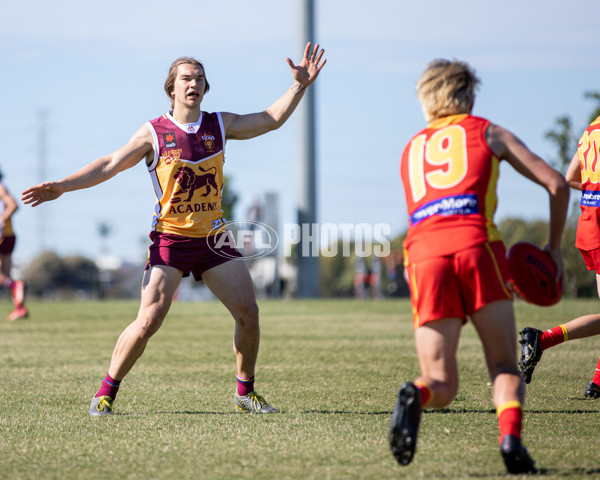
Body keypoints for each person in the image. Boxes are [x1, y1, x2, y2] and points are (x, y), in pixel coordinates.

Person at [22, 42, 326, 416]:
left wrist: (299, 86)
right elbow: (109, 164)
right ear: (172, 88)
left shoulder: (220, 124)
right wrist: (62, 186)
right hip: (171, 240)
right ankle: (105, 392)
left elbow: (270, 119)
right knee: (149, 319)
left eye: (199, 78)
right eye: (186, 78)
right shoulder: (154, 132)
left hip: (214, 239)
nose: (193, 83)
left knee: (249, 312)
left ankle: (244, 392)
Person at [389, 59, 569, 474]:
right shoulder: (487, 130)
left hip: (424, 255)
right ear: (468, 95)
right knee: (504, 366)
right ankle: (510, 441)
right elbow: (557, 184)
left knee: (441, 383)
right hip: (476, 247)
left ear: (427, 98)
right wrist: (554, 249)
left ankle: (416, 393)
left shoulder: (411, 147)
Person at [520, 115, 600, 399]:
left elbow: (571, 178)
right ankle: (542, 340)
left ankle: (597, 383)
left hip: (590, 225)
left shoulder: (592, 128)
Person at [0, 170, 28, 322]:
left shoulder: (0, 188)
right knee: (5, 274)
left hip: (3, 235)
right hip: (8, 236)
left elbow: (13, 205)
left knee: (7, 280)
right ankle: (19, 309)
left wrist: (1, 219)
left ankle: (14, 285)